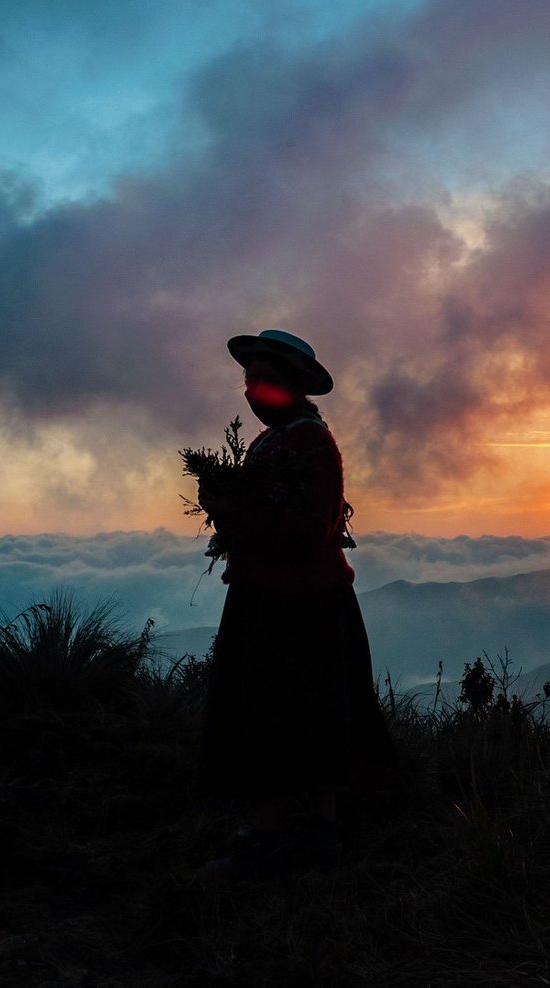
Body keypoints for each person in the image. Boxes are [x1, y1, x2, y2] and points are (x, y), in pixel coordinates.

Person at [196, 328, 390, 878]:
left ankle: (269, 839)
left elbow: (304, 531)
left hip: (294, 608)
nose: (257, 392)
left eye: (269, 382)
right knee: (313, 715)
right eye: (252, 381)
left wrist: (230, 512)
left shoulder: (305, 444)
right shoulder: (284, 439)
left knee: (276, 715)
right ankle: (314, 836)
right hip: (300, 602)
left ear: (296, 388)